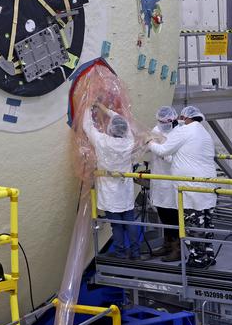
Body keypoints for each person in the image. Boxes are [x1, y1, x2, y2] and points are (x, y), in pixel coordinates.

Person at [147, 105, 217, 267]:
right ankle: (208, 256)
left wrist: (149, 142)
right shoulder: (202, 131)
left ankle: (196, 259)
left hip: (191, 186)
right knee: (206, 222)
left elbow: (164, 150)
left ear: (185, 118)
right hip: (206, 185)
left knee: (193, 225)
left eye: (180, 118)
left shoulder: (185, 130)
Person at [81, 104, 141, 259]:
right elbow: (122, 122)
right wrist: (106, 109)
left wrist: (88, 106)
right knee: (130, 221)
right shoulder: (129, 141)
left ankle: (120, 253)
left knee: (117, 225)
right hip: (125, 189)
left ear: (110, 129)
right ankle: (135, 253)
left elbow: (87, 126)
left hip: (109, 191)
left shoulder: (102, 141)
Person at [147, 106, 180, 260]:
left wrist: (158, 148)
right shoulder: (156, 130)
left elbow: (173, 158)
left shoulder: (180, 133)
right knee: (163, 214)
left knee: (173, 216)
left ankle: (177, 249)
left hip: (173, 182)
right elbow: (150, 148)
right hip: (159, 181)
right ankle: (167, 245)